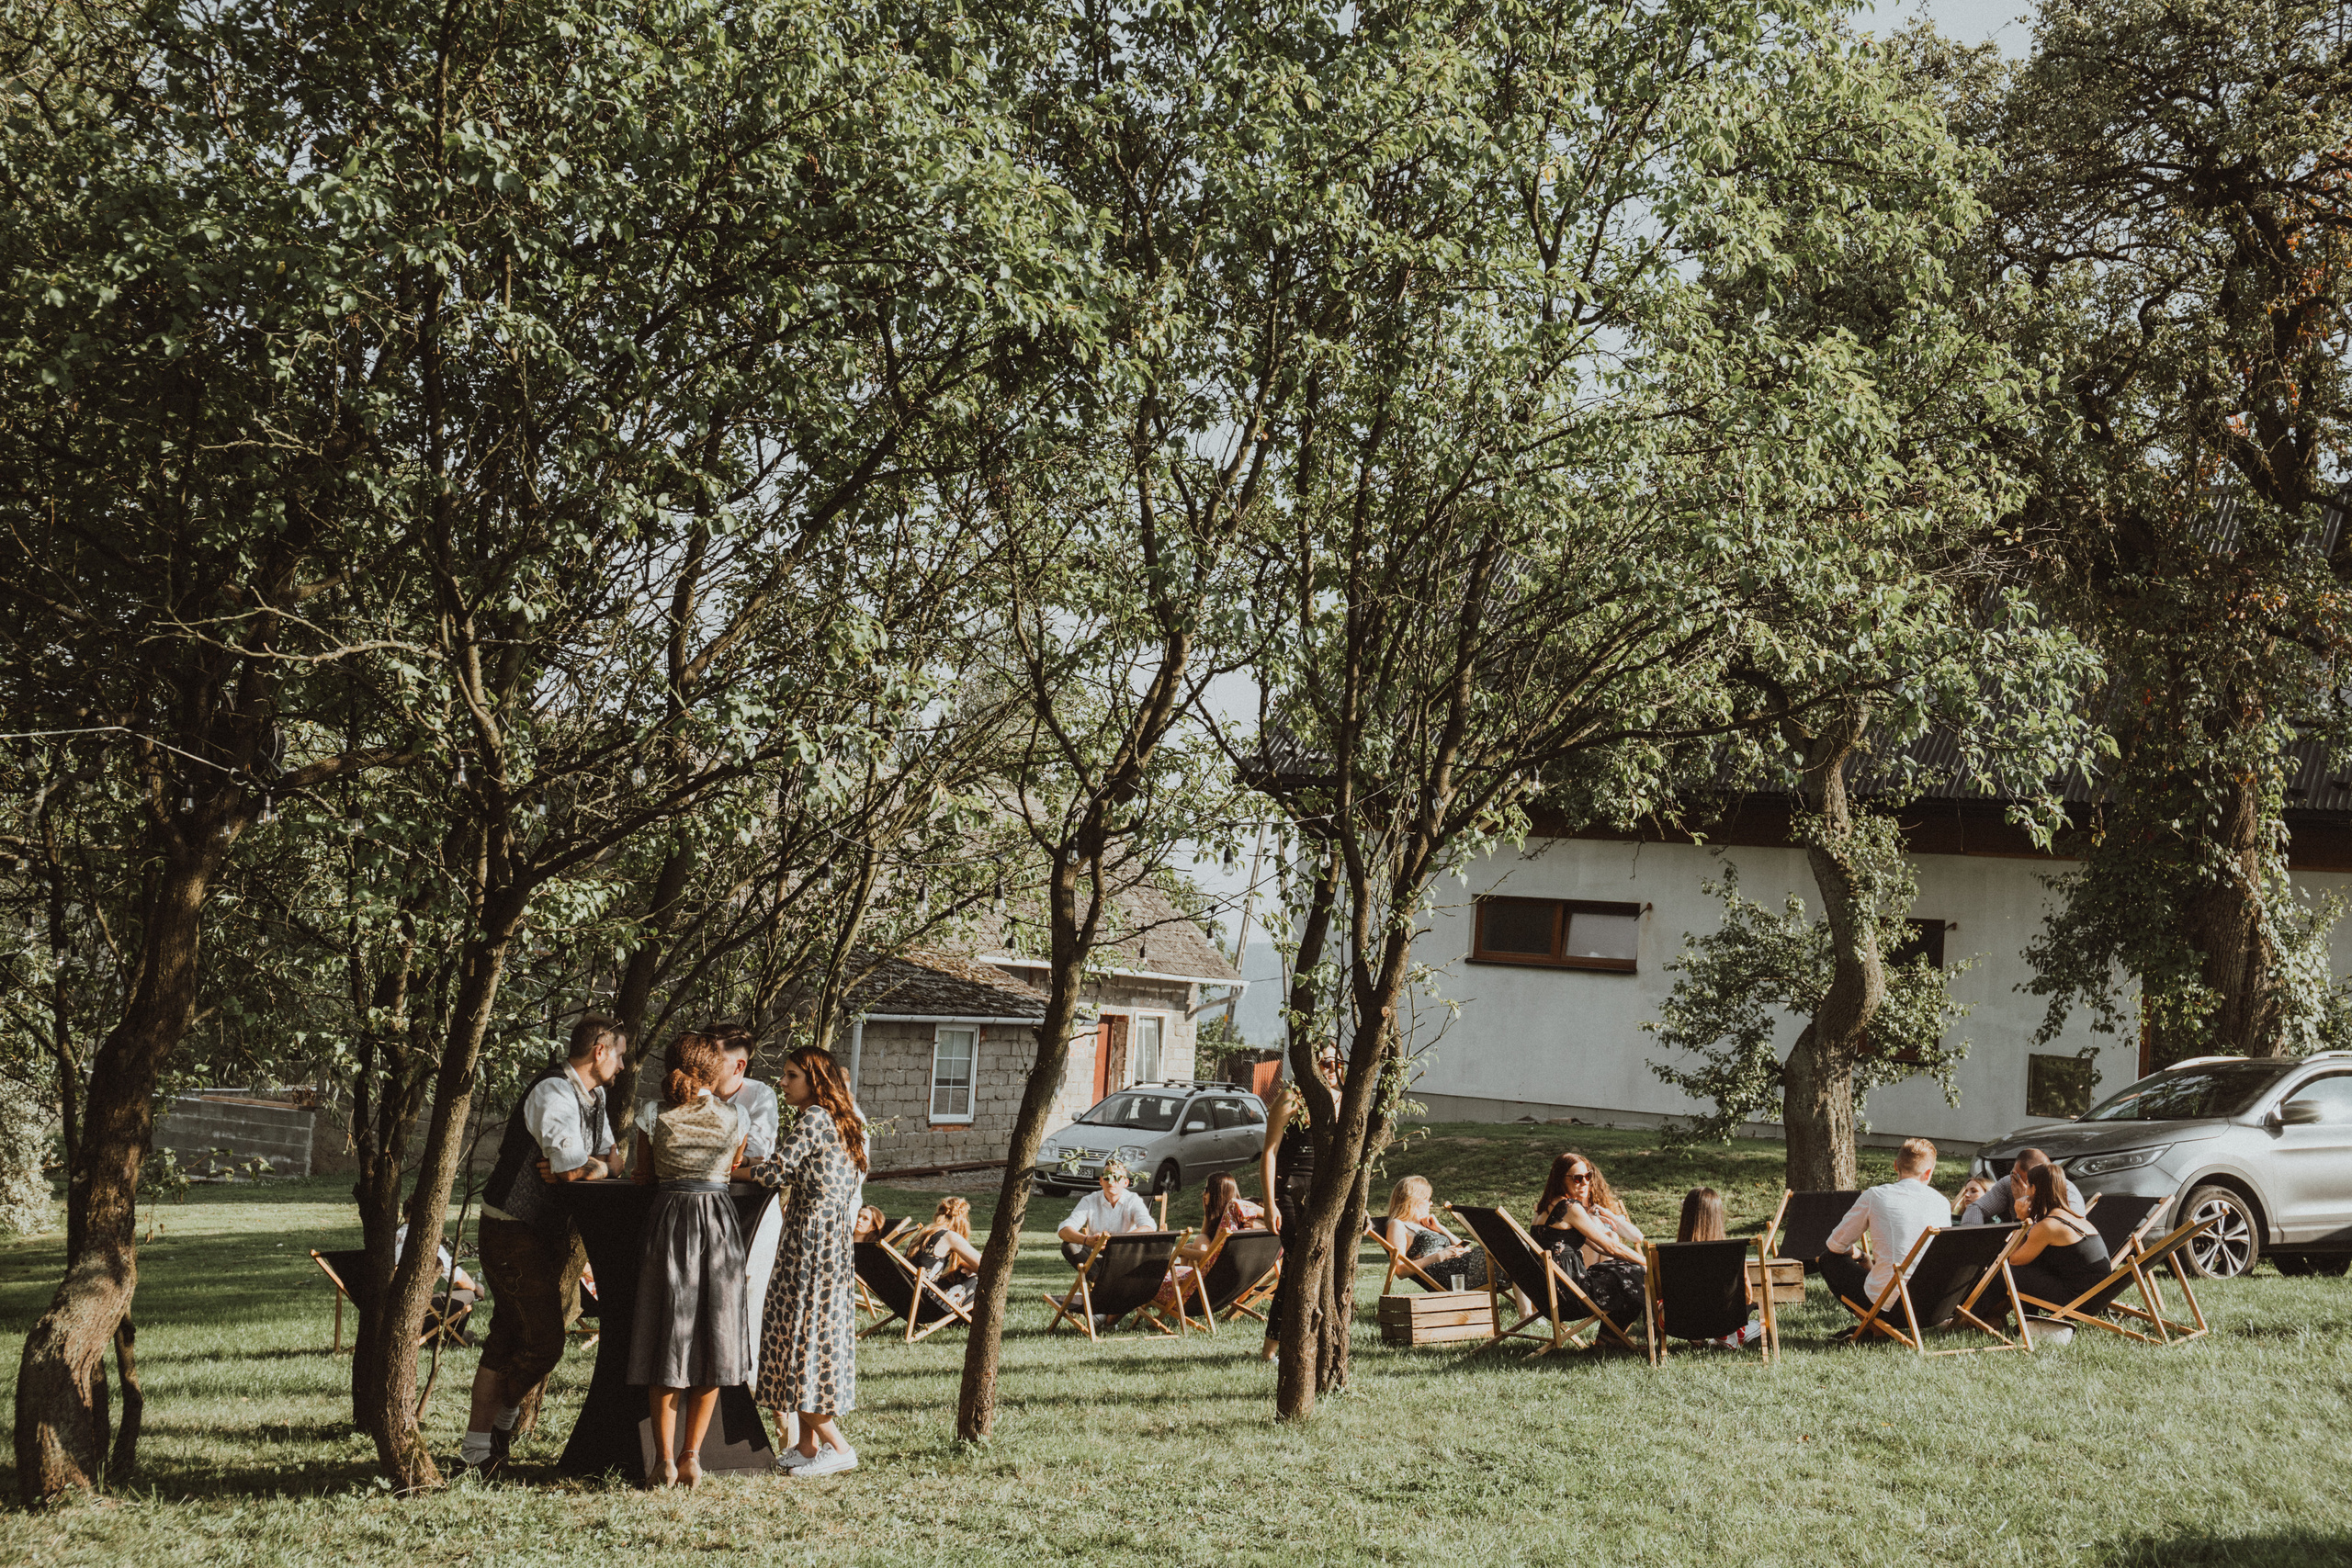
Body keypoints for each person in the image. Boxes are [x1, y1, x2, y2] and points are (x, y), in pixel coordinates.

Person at [453, 1014, 628, 1480]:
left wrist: (601, 1168)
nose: (625, 1065)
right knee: (545, 1343)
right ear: (600, 1051)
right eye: (621, 1054)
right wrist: (592, 1166)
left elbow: (613, 1159)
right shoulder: (552, 1092)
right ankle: (493, 1436)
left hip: (542, 1231)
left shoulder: (595, 1095)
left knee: (509, 1336)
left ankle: (481, 1447)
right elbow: (571, 1171)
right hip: (512, 1229)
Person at [628, 1032, 750, 1489]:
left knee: (667, 1334)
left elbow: (642, 1175)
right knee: (715, 1339)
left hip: (669, 1226)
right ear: (712, 1069)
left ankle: (662, 1459)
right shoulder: (736, 1116)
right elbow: (733, 1167)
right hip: (718, 1227)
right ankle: (692, 1456)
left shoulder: (652, 1114)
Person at [742, 1045, 866, 1477]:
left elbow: (775, 1171)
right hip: (828, 1241)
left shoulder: (815, 1117)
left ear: (815, 1080)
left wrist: (727, 1168)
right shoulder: (841, 1119)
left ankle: (838, 1446)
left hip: (810, 1243)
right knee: (808, 1337)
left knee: (800, 1339)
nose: (783, 1082)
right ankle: (808, 1447)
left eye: (791, 1075)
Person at [1258, 1048, 1340, 1362]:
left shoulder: (1342, 1098)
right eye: (1323, 1061)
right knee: (1295, 1267)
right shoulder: (1291, 1098)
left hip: (1323, 1193)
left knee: (1320, 1267)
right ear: (1309, 1066)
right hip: (1290, 1190)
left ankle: (1313, 1341)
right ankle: (1270, 1350)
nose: (1331, 1067)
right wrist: (1269, 1204)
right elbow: (1269, 1152)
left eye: (1336, 1061)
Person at [1818, 1138, 1950, 1328]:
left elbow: (1835, 1245)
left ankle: (1875, 1327)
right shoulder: (1942, 1203)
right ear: (1928, 1173)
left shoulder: (1876, 1195)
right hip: (1932, 1308)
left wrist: (1860, 1255)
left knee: (1828, 1260)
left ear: (1896, 1165)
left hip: (1890, 1309)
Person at [1530, 1152, 1645, 1328]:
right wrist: (1649, 1262)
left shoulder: (1544, 1208)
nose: (1585, 1182)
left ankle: (1609, 1339)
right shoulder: (1569, 1208)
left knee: (1619, 1268)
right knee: (1638, 1274)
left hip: (1549, 1294)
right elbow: (1611, 1247)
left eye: (1588, 1176)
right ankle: (1612, 1337)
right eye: (1577, 1178)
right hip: (1571, 1296)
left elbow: (1602, 1247)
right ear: (1560, 1179)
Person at [2003, 1161, 2111, 1314]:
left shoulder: (2048, 1226)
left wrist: (2021, 1221)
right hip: (2098, 1300)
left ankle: (2022, 1320)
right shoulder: (2077, 1218)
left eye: (2027, 1185)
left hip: (2078, 1303)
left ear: (2034, 1189)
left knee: (2010, 1270)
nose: (2025, 1190)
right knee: (2031, 1262)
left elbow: (2013, 1259)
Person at [1154, 1173, 1265, 1314]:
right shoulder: (1233, 1222)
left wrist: (1178, 1250)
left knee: (1191, 1245)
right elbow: (1205, 1239)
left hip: (1209, 1288)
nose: (1203, 1193)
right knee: (1192, 1245)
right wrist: (1208, 1211)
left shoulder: (1237, 1208)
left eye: (1207, 1189)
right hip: (1229, 1286)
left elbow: (1207, 1255)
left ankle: (1182, 1289)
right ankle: (1182, 1283)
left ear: (1218, 1193)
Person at [1675, 1187, 1763, 1348]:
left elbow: (1660, 1293)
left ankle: (1722, 1335)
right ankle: (1735, 1333)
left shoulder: (1668, 1254)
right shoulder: (1732, 1253)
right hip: (1725, 1319)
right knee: (1742, 1303)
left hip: (1681, 1322)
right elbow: (1748, 1297)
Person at [1382, 1175, 1487, 1292]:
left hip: (1462, 1267)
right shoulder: (1398, 1225)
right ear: (1416, 1200)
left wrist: (1441, 1228)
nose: (1431, 1203)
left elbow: (1468, 1250)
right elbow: (1400, 1270)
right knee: (1499, 1252)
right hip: (1448, 1276)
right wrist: (1439, 1256)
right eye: (1428, 1199)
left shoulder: (1427, 1224)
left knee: (1502, 1253)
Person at [1057, 1160, 1158, 1268]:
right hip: (1095, 1256)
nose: (1111, 1181)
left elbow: (1149, 1226)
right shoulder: (1089, 1200)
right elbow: (1063, 1230)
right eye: (1107, 1177)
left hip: (1123, 1255)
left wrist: (1118, 1240)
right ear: (1101, 1180)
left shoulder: (1133, 1200)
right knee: (1068, 1245)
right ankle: (1098, 1279)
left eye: (1117, 1177)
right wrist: (1087, 1240)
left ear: (1126, 1183)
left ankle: (1101, 1280)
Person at [1957, 1148, 2086, 1226]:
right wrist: (1971, 1243)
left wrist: (2025, 1205)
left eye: (2021, 1179)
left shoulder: (2069, 1193)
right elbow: (1976, 1208)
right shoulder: (2010, 1182)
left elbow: (2058, 1233)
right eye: (2014, 1175)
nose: (2014, 1180)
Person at [906, 1197, 984, 1305]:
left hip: (906, 1297)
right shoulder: (949, 1236)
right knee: (978, 1280)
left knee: (964, 1273)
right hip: (925, 1304)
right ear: (962, 1221)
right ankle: (965, 1320)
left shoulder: (925, 1234)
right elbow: (986, 1267)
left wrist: (966, 1267)